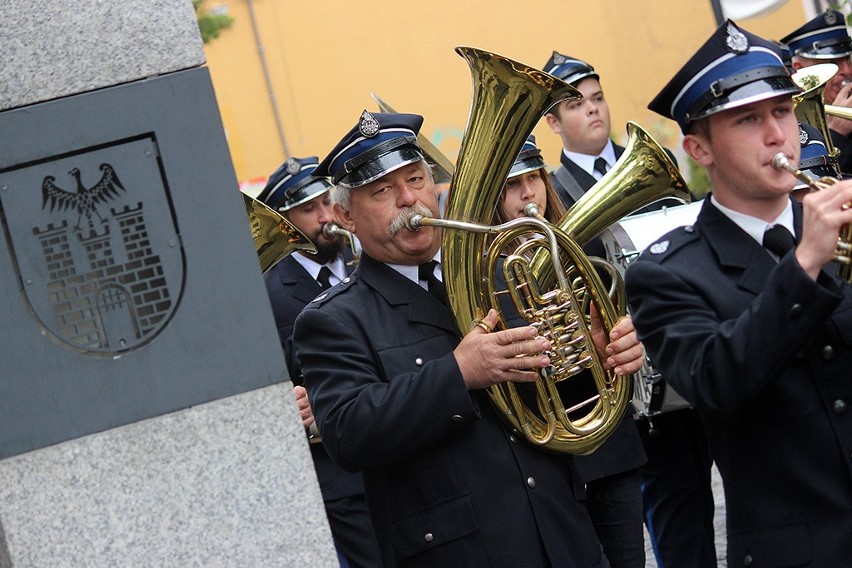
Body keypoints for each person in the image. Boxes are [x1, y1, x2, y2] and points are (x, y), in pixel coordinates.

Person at [293, 110, 646, 567]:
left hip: (562, 536)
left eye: (417, 179)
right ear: (345, 216)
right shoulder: (334, 318)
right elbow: (349, 433)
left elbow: (556, 403)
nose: (408, 199)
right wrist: (458, 373)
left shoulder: (504, 275)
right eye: (382, 191)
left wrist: (595, 359)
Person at [626, 19, 852, 567]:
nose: (778, 135)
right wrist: (803, 264)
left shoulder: (833, 224)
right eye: (748, 120)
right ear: (698, 148)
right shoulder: (670, 272)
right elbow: (719, 381)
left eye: (782, 111)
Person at [542, 52, 716, 568]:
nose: (594, 110)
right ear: (553, 122)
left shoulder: (648, 161)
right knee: (673, 509)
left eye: (598, 98)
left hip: (688, 349)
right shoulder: (551, 192)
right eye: (576, 105)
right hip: (628, 375)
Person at [492, 134, 646, 568]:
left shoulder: (585, 246)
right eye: (512, 184)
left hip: (609, 441)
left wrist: (612, 347)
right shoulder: (484, 272)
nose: (528, 193)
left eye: (534, 178)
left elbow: (618, 337)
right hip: (545, 453)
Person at [257, 156, 381, 568]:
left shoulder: (364, 260)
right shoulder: (269, 290)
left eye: (328, 202)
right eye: (309, 209)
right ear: (284, 220)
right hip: (337, 473)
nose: (326, 215)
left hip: (387, 446)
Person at [782, 8, 852, 173]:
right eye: (832, 61)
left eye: (848, 60)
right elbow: (808, 184)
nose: (847, 71)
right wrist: (836, 133)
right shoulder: (787, 123)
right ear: (799, 69)